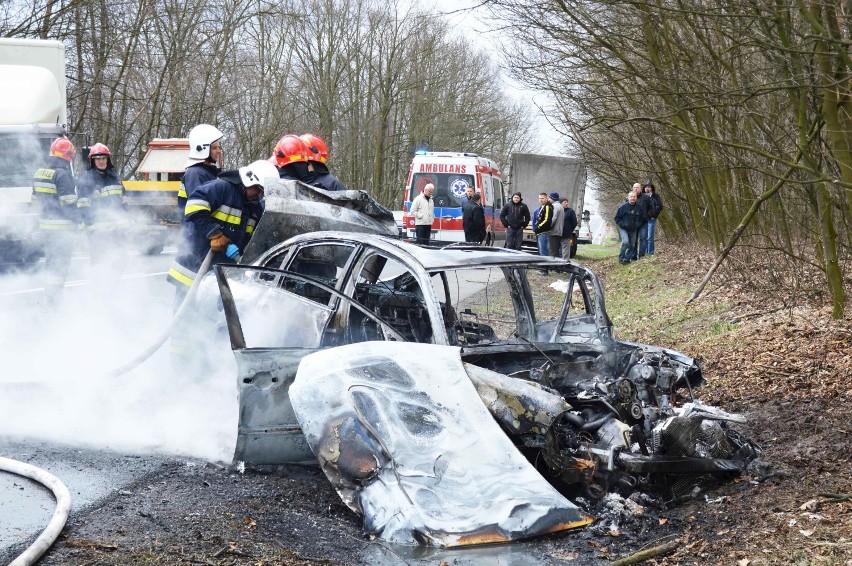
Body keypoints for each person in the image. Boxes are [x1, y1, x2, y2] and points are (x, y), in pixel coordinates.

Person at [167, 160, 279, 310]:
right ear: (248, 180)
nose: (259, 196)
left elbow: (248, 235)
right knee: (186, 317)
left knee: (208, 319)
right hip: (193, 265)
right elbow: (194, 206)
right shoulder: (222, 187)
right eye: (258, 190)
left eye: (263, 192)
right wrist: (215, 234)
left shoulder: (253, 207)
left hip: (218, 270)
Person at [76, 143, 130, 288]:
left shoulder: (115, 178)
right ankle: (99, 294)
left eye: (104, 158)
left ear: (108, 160)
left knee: (121, 259)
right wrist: (90, 228)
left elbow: (124, 201)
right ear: (92, 160)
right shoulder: (86, 180)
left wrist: (129, 220)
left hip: (117, 232)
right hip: (98, 234)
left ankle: (111, 288)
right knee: (99, 265)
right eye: (98, 158)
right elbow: (83, 206)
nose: (101, 161)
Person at [32, 136, 78, 299]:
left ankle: (50, 294)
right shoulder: (62, 175)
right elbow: (70, 205)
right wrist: (79, 223)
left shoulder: (39, 173)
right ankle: (55, 299)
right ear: (68, 156)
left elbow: (35, 201)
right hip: (62, 231)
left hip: (46, 229)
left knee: (51, 263)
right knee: (60, 266)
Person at [179, 124, 224, 221]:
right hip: (198, 233)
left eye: (219, 147)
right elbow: (198, 210)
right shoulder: (195, 174)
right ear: (202, 149)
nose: (219, 151)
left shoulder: (206, 172)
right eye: (214, 148)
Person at [615, 191, 643, 265]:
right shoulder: (622, 208)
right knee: (625, 242)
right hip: (623, 228)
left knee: (632, 245)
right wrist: (622, 224)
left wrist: (638, 225)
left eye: (634, 197)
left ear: (636, 198)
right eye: (631, 196)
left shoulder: (639, 208)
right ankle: (621, 257)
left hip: (633, 229)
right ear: (628, 198)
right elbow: (617, 218)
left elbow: (641, 219)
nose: (632, 198)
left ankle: (626, 260)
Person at [633, 182, 651, 259]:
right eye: (634, 187)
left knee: (643, 239)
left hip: (644, 222)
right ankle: (633, 256)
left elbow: (652, 208)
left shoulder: (646, 198)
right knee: (634, 240)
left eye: (637, 187)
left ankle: (641, 256)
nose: (635, 189)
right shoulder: (630, 197)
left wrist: (648, 216)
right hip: (633, 223)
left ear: (640, 189)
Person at [644, 181, 663, 255]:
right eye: (646, 187)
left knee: (650, 236)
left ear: (651, 188)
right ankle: (644, 253)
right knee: (643, 237)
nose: (647, 188)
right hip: (643, 219)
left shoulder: (656, 196)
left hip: (651, 219)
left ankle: (651, 253)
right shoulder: (642, 196)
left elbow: (660, 206)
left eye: (649, 187)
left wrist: (653, 215)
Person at [532, 192, 553, 257]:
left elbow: (547, 220)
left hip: (544, 232)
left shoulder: (547, 206)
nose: (541, 200)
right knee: (541, 252)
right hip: (540, 232)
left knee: (544, 252)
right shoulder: (542, 207)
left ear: (546, 199)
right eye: (539, 198)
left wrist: (538, 227)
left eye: (542, 198)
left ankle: (546, 266)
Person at [547, 192, 564, 259]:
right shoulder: (560, 206)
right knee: (556, 250)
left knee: (552, 251)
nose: (548, 199)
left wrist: (547, 227)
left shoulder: (555, 206)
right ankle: (556, 266)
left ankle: (553, 266)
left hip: (554, 232)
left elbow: (553, 218)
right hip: (558, 231)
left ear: (552, 198)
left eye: (549, 198)